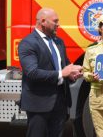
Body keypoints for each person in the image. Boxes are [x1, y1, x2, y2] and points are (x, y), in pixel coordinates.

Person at [18, 8, 83, 137]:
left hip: (60, 103)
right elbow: (32, 72)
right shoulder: (28, 43)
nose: (58, 25)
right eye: (55, 21)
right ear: (43, 21)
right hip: (39, 104)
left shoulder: (58, 42)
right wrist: (61, 73)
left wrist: (72, 74)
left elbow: (65, 67)